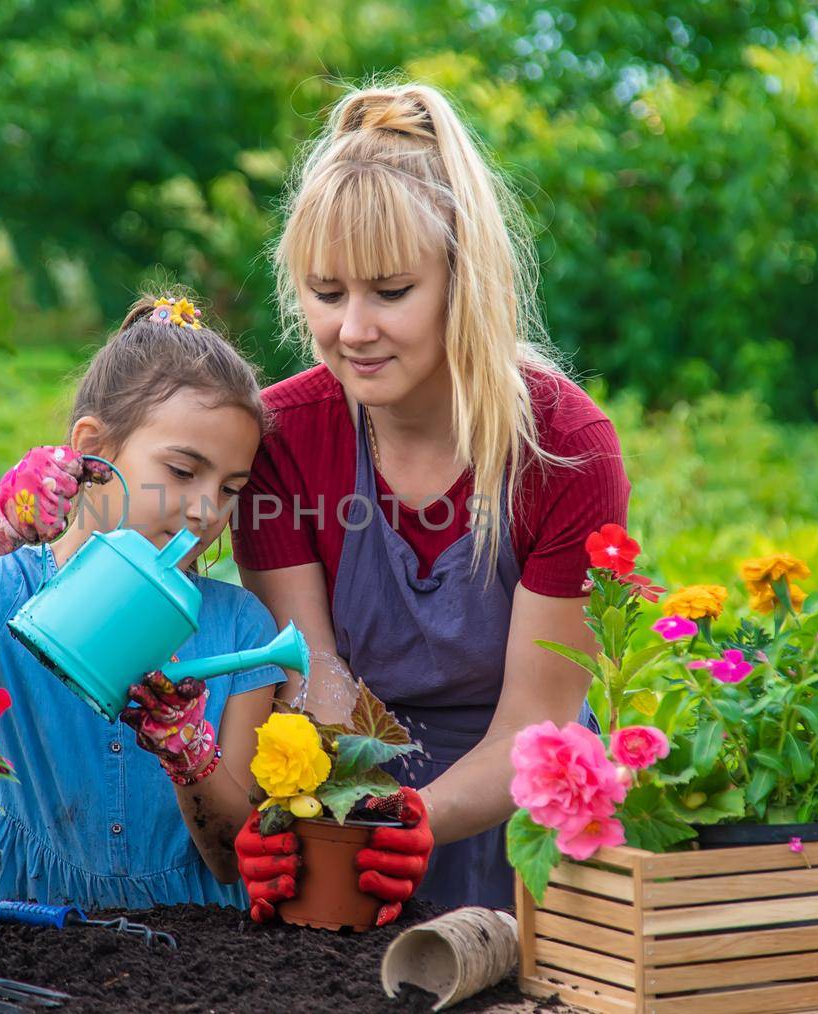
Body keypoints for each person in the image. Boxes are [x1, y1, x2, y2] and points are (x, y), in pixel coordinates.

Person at [232, 84, 630, 918]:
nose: (354, 330)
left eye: (391, 291)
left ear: (464, 279)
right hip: (354, 809)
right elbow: (316, 681)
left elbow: (534, 723)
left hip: (525, 831)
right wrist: (342, 821)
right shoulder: (282, 441)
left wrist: (416, 821)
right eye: (328, 293)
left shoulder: (563, 450)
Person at [0, 293, 284, 908]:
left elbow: (233, 860)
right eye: (184, 472)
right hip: (12, 921)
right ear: (93, 449)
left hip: (191, 946)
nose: (208, 510)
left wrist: (191, 755)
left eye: (231, 488)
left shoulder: (238, 630)